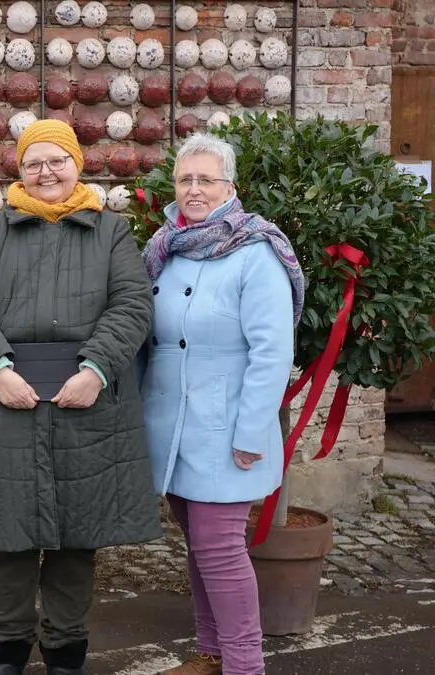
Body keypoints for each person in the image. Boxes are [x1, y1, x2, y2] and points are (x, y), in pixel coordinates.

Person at [0, 120, 163, 675]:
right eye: (34, 162)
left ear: (76, 164)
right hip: (3, 406)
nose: (46, 172)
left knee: (75, 540)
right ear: (20, 169)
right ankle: (7, 651)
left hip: (84, 404)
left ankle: (65, 652)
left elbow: (132, 304)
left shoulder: (111, 232)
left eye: (57, 160)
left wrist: (96, 369)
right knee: (6, 539)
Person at [141, 133, 303, 675]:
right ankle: (211, 653)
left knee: (220, 550)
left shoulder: (256, 252)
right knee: (199, 547)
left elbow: (272, 352)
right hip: (170, 427)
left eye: (206, 180)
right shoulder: (164, 248)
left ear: (230, 187)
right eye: (185, 179)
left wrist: (251, 433)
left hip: (226, 427)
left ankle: (244, 665)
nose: (194, 189)